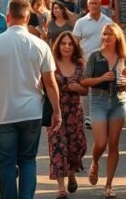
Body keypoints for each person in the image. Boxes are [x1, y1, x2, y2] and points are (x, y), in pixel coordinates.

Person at [0, 0, 62, 199]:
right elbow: (50, 83)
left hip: (4, 112)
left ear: (8, 17)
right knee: (28, 160)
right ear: (27, 17)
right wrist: (57, 111)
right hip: (32, 112)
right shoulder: (40, 45)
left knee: (6, 163)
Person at [81, 23, 126, 199]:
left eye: (109, 34)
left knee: (114, 144)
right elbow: (84, 81)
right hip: (99, 101)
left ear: (117, 36)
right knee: (101, 142)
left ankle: (108, 185)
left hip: (119, 101)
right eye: (104, 34)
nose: (106, 37)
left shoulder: (125, 57)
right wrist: (101, 78)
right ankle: (95, 161)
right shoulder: (96, 57)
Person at [48, 31, 89, 199]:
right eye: (63, 43)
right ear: (58, 45)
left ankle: (71, 173)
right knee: (57, 147)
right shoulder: (51, 64)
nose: (66, 46)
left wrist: (77, 88)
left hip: (74, 111)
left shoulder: (80, 65)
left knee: (75, 146)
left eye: (70, 44)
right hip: (55, 110)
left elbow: (86, 90)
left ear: (74, 46)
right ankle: (60, 188)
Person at [73, 0, 114, 127]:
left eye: (96, 3)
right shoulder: (81, 22)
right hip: (86, 59)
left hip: (104, 60)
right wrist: (78, 58)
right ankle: (88, 116)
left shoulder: (108, 22)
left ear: (101, 5)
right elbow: (75, 42)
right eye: (91, 3)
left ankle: (102, 113)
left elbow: (115, 39)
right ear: (87, 5)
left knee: (104, 87)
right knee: (87, 88)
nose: (94, 6)